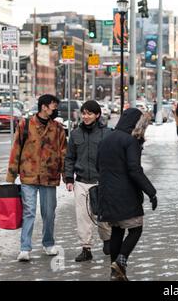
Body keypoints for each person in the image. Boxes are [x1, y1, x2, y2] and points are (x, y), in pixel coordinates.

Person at [97, 108, 157, 281]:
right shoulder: (130, 141)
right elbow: (134, 170)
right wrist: (151, 192)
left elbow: (98, 167)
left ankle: (115, 273)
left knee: (116, 229)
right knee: (135, 229)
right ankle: (120, 262)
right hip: (125, 194)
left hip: (106, 192)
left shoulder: (106, 138)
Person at [6, 94, 67, 262]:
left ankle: (48, 243)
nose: (55, 109)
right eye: (53, 106)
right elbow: (16, 150)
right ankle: (25, 248)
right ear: (44, 107)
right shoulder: (25, 125)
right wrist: (10, 177)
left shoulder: (59, 128)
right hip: (28, 176)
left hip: (49, 177)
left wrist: (67, 176)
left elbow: (63, 153)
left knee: (49, 213)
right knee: (29, 212)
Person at [64, 101, 113, 262]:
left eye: (89, 113)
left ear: (97, 115)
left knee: (103, 215)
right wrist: (69, 178)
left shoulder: (107, 133)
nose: (85, 116)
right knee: (83, 216)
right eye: (83, 113)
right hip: (82, 181)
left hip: (101, 182)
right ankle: (86, 248)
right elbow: (70, 158)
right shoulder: (76, 134)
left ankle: (107, 240)